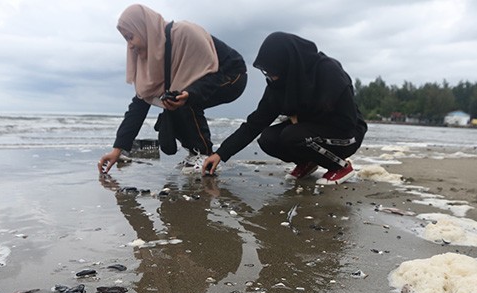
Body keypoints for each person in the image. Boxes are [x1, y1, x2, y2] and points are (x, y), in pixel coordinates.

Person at [98, 4, 247, 175]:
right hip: (197, 83)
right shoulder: (152, 55)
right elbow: (140, 103)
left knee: (183, 99)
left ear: (143, 28)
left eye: (131, 37)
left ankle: (204, 154)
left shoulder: (185, 33)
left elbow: (211, 73)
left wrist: (191, 94)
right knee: (174, 100)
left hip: (231, 75)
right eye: (126, 39)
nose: (130, 45)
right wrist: (118, 149)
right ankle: (195, 153)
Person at [202, 32, 367, 185]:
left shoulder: (327, 70)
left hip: (348, 133)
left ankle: (340, 167)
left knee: (293, 135)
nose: (271, 76)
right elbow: (254, 124)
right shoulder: (278, 85)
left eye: (273, 71)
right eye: (267, 72)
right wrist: (220, 154)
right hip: (310, 132)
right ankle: (307, 162)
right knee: (268, 138)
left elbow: (347, 120)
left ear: (288, 63)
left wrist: (300, 120)